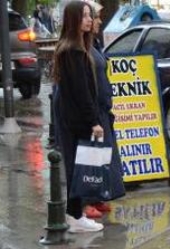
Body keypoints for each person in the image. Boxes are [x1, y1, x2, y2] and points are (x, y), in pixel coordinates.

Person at [52, 0, 105, 232]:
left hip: (71, 117)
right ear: (73, 19)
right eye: (84, 15)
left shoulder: (73, 47)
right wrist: (93, 121)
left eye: (89, 15)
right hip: (75, 119)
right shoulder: (73, 50)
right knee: (78, 167)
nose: (89, 19)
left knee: (78, 165)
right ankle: (75, 216)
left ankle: (75, 214)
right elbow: (81, 91)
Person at [85, 0, 126, 219]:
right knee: (90, 156)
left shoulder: (94, 44)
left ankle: (98, 195)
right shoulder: (80, 48)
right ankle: (86, 200)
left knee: (103, 156)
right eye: (96, 17)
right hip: (92, 111)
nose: (99, 21)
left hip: (102, 108)